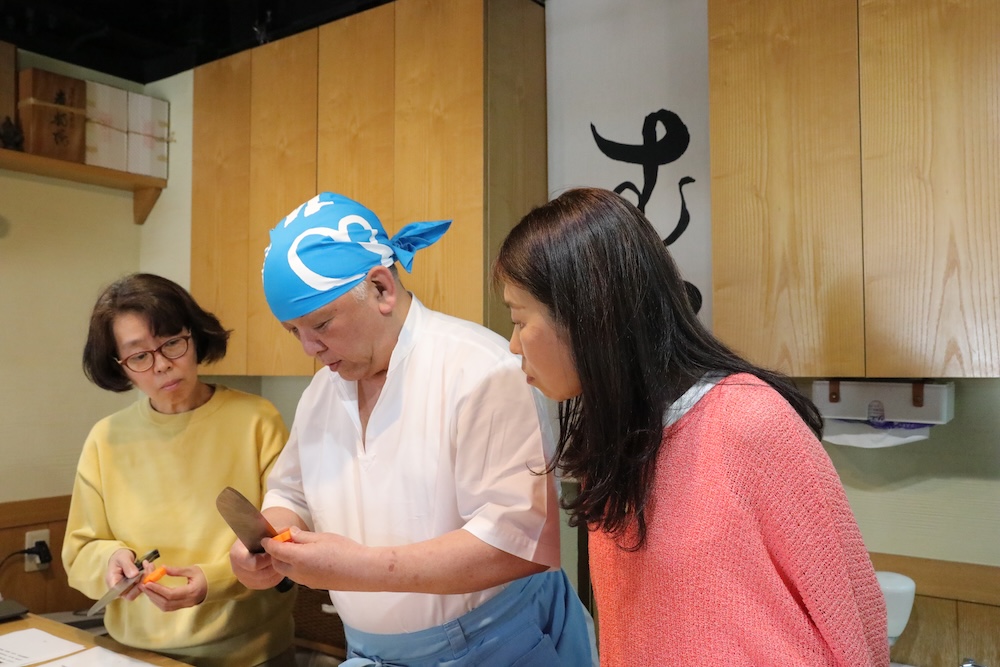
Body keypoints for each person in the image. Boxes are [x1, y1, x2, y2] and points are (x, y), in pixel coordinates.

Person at [492, 187, 890, 666]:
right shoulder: (616, 442)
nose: (513, 345)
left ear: (587, 316)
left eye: (519, 319)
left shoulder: (748, 419)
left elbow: (854, 613)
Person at [229, 192, 595, 666]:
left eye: (321, 324)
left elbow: (518, 546)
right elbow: (291, 493)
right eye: (293, 331)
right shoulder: (322, 393)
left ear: (381, 288)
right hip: (369, 650)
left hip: (494, 647)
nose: (309, 349)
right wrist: (269, 540)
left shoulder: (481, 369)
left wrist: (358, 567)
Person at [63, 273, 296, 667]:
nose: (162, 366)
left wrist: (215, 582)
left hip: (249, 652)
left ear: (195, 336)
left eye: (172, 343)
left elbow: (283, 540)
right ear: (120, 366)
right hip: (135, 653)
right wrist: (110, 560)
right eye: (139, 356)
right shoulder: (106, 439)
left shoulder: (257, 420)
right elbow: (79, 550)